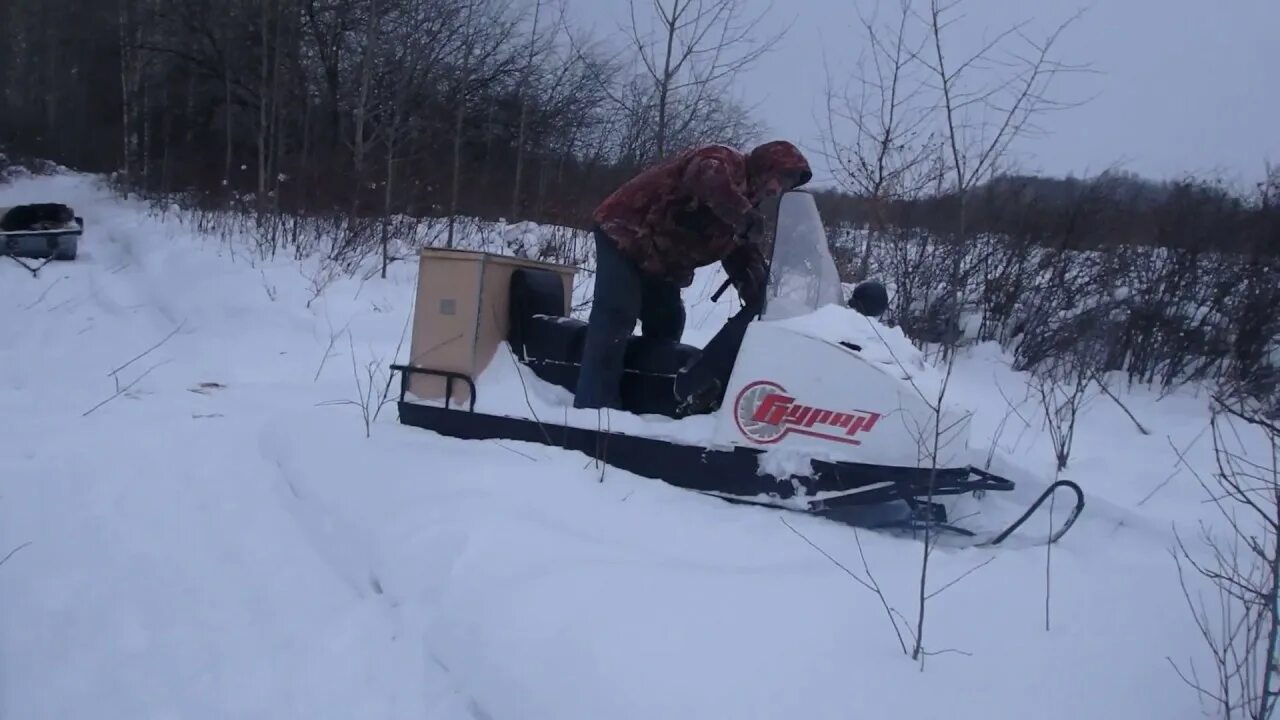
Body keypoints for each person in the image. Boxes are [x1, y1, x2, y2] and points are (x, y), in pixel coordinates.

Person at [573, 140, 813, 410]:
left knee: (668, 320)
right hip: (624, 233)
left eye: (784, 186)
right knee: (617, 313)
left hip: (659, 259)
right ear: (764, 165)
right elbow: (706, 179)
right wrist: (742, 214)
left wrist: (764, 298)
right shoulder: (723, 162)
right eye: (778, 178)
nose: (776, 190)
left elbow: (740, 254)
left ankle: (647, 394)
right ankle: (593, 406)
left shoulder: (746, 207)